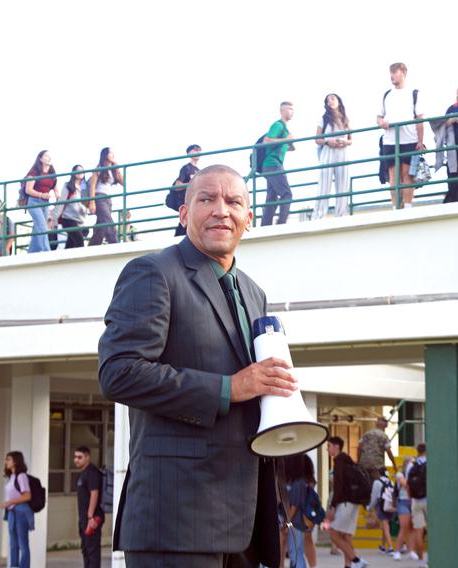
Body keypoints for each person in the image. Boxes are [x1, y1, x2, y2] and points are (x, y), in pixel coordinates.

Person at [98, 164, 290, 567]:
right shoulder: (152, 272)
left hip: (247, 525)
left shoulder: (254, 293)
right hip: (174, 523)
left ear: (248, 219)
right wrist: (228, 388)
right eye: (207, 199)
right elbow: (119, 373)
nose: (222, 210)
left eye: (234, 201)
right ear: (184, 214)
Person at [377, 62, 424, 209]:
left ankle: (408, 207)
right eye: (390, 73)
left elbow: (420, 119)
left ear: (403, 73)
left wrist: (420, 141)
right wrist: (382, 122)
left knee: (408, 175)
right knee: (393, 176)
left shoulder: (414, 93)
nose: (392, 76)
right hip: (390, 140)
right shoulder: (386, 95)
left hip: (410, 139)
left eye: (394, 72)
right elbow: (378, 117)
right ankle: (395, 207)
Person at [326, 436, 367, 568]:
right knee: (345, 536)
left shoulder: (339, 462)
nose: (328, 449)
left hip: (345, 503)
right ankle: (348, 565)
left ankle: (356, 561)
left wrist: (332, 507)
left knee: (333, 534)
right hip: (353, 502)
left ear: (336, 446)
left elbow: (339, 486)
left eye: (329, 446)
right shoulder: (348, 461)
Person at [314, 93, 352, 220]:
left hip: (343, 152)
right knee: (324, 184)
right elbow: (317, 139)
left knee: (343, 184)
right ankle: (318, 215)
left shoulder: (346, 118)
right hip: (328, 151)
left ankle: (341, 215)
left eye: (332, 98)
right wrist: (327, 141)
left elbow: (351, 139)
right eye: (328, 100)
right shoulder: (323, 119)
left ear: (338, 101)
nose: (330, 101)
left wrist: (344, 142)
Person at [261, 102, 296, 226]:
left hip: (271, 165)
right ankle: (281, 223)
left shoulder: (285, 129)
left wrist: (289, 144)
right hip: (273, 164)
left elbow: (285, 145)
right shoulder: (278, 125)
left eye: (293, 109)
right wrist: (286, 140)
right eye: (290, 109)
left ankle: (265, 225)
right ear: (282, 110)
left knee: (272, 197)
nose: (292, 111)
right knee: (287, 194)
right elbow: (267, 141)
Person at [283, 454, 317, 568]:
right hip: (299, 521)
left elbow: (294, 506)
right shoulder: (304, 482)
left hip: (295, 522)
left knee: (295, 552)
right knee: (296, 551)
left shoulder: (297, 483)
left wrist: (286, 524)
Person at [73, 446, 104, 568]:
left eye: (79, 457)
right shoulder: (82, 474)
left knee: (92, 553)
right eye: (75, 457)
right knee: (86, 550)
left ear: (87, 457)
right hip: (84, 519)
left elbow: (94, 493)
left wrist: (91, 517)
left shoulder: (92, 473)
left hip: (92, 519)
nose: (76, 460)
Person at [22, 150, 59, 254]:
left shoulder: (52, 174)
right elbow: (28, 190)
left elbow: (56, 190)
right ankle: (47, 251)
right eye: (46, 156)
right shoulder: (34, 172)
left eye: (50, 156)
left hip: (45, 204)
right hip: (34, 202)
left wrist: (58, 197)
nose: (49, 158)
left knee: (37, 229)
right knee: (42, 227)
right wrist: (42, 195)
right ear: (40, 159)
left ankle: (32, 253)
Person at [3, 451, 34, 568]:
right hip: (11, 512)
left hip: (21, 512)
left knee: (22, 543)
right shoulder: (12, 477)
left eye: (9, 459)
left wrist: (10, 502)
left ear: (15, 461)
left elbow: (27, 496)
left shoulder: (22, 476)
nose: (6, 462)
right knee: (13, 543)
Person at [88, 147, 123, 246]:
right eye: (111, 153)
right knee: (108, 222)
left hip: (108, 199)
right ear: (105, 155)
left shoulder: (113, 169)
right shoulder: (99, 168)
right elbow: (92, 186)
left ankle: (91, 248)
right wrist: (92, 202)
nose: (113, 155)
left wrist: (117, 168)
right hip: (99, 197)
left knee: (101, 227)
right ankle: (115, 244)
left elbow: (123, 182)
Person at [49, 165, 89, 249]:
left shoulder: (84, 188)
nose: (80, 172)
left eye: (82, 170)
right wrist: (54, 219)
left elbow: (86, 205)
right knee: (79, 242)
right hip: (68, 219)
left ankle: (65, 260)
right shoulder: (68, 186)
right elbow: (61, 202)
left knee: (71, 245)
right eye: (78, 170)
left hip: (80, 221)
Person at [169, 144, 202, 236]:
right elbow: (177, 186)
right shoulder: (186, 168)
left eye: (199, 150)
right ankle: (179, 236)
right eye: (195, 150)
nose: (198, 152)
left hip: (194, 200)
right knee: (187, 220)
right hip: (186, 200)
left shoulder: (199, 171)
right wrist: (192, 183)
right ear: (189, 153)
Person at [357, 417, 397, 481]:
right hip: (377, 466)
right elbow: (388, 451)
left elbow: (359, 448)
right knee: (379, 484)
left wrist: (358, 461)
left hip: (364, 465)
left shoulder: (366, 434)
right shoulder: (384, 436)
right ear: (385, 425)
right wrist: (394, 464)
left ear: (376, 424)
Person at [407, 443, 428, 565]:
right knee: (434, 530)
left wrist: (411, 498)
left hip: (416, 501)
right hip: (429, 499)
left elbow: (408, 485)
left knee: (418, 531)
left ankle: (420, 561)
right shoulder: (431, 463)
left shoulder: (411, 465)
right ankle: (432, 558)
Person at [367, 467, 395, 556]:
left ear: (379, 473)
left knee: (385, 525)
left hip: (381, 505)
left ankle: (391, 547)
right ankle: (383, 546)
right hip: (389, 506)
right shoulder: (390, 482)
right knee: (385, 526)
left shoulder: (377, 482)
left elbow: (374, 497)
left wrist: (369, 507)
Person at [392, 456, 414, 561]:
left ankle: (411, 550)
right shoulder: (400, 474)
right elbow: (405, 484)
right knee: (404, 526)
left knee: (411, 528)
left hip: (412, 501)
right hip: (403, 501)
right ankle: (397, 551)